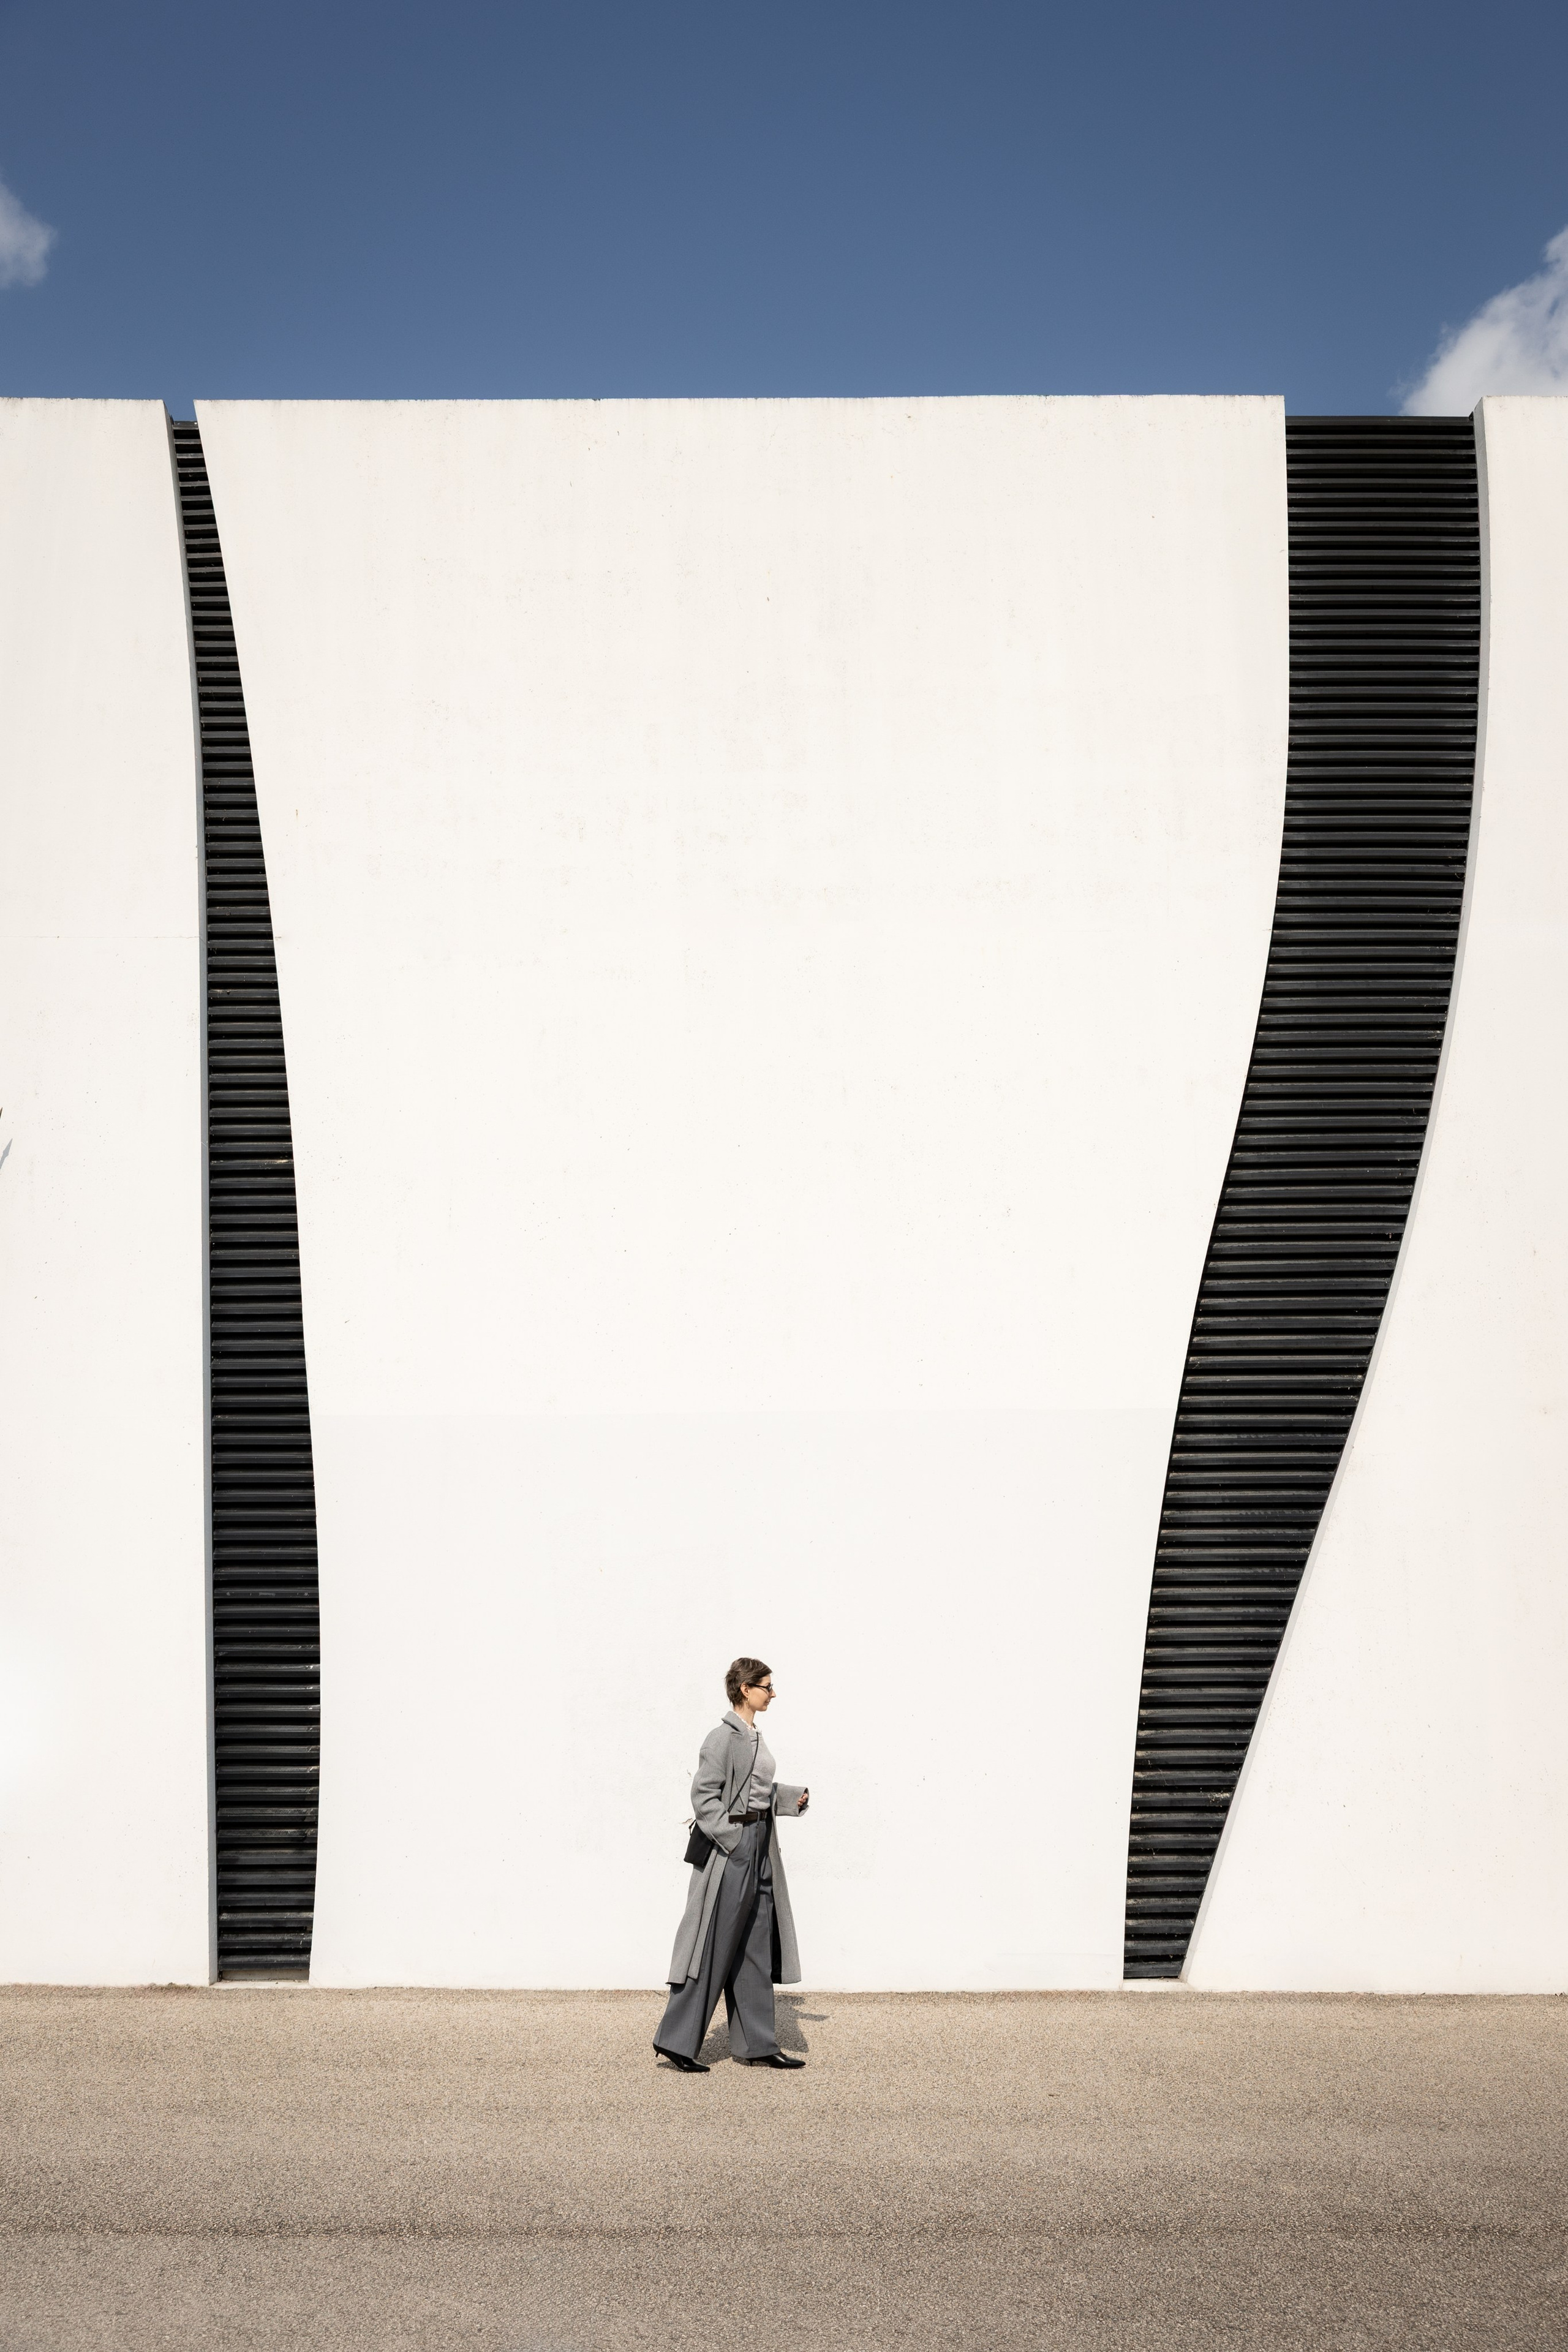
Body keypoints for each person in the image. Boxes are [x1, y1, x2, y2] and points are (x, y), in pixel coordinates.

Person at [653, 1657, 810, 2073]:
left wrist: (787, 1799)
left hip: (761, 1848)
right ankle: (676, 2042)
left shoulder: (754, 1734)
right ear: (745, 1689)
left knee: (755, 1947)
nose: (772, 1693)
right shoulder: (721, 1739)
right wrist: (734, 1841)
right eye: (766, 1686)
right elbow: (704, 1798)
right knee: (712, 1946)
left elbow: (755, 1791)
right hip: (733, 1853)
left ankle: (757, 2044)